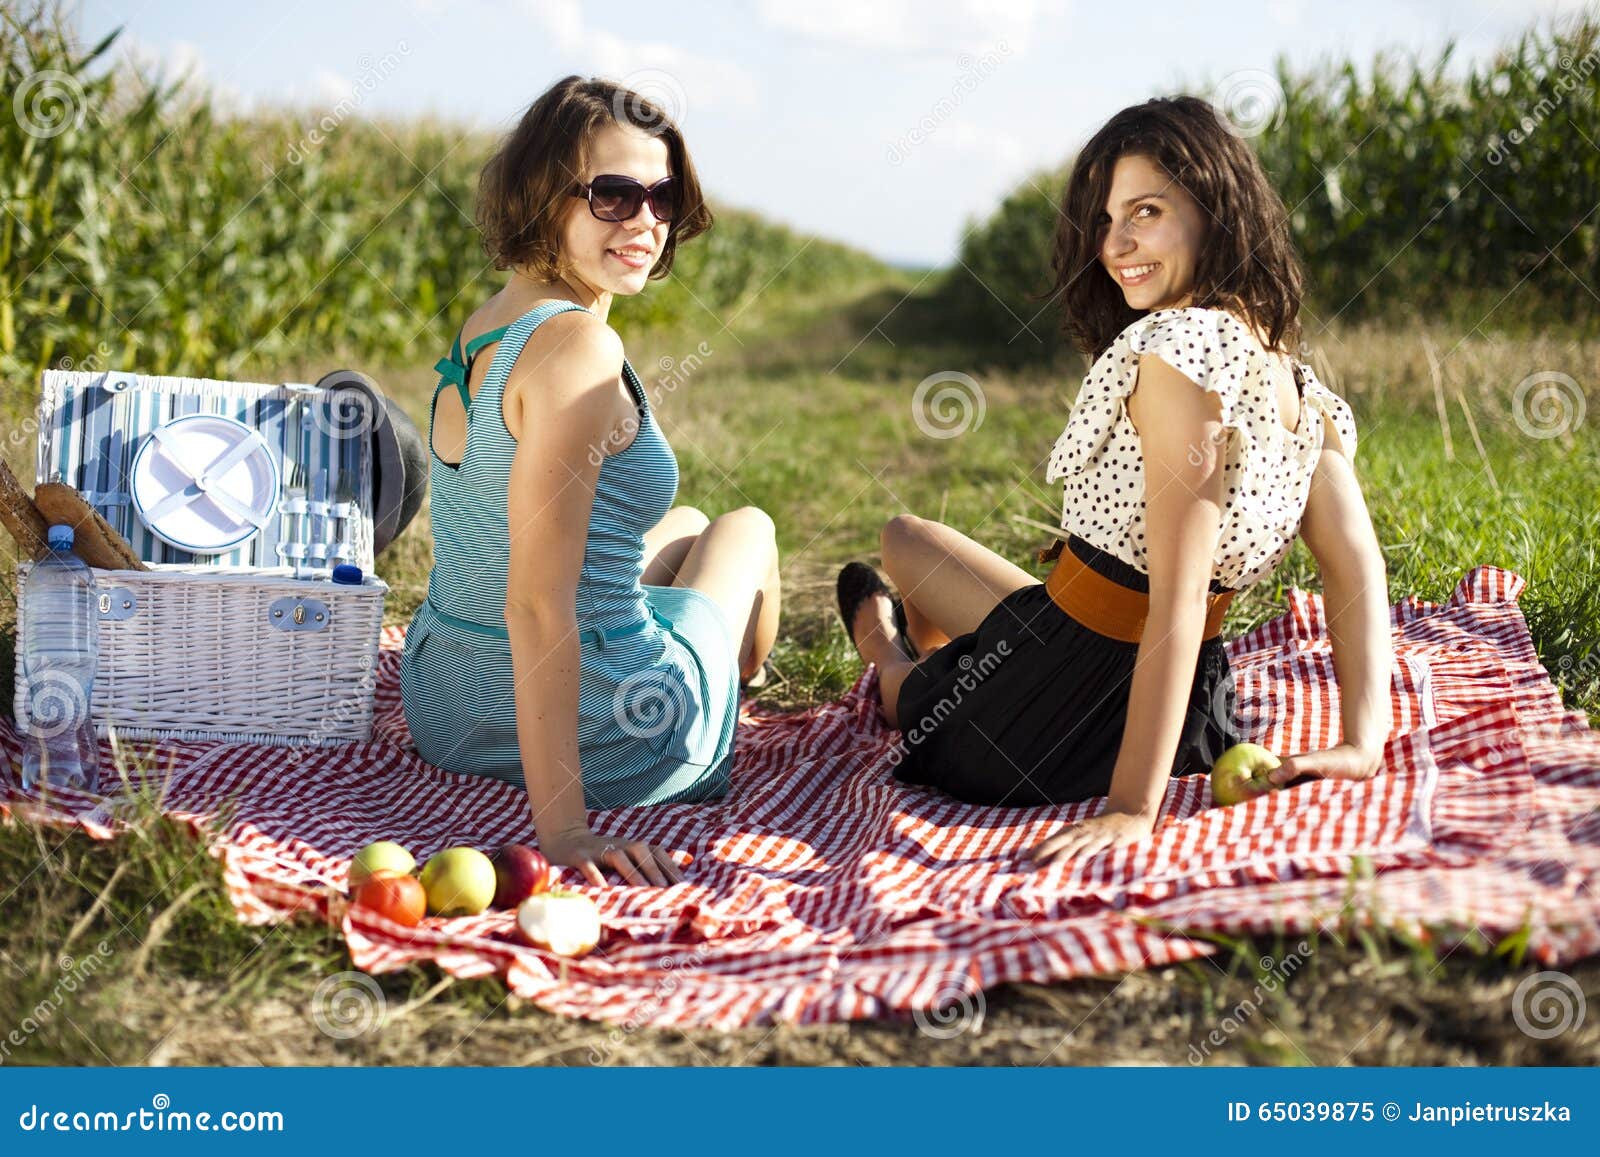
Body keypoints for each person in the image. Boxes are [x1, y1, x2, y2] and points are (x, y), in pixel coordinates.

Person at [836, 95, 1393, 867]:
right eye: (1106, 220)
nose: (1116, 243)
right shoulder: (1300, 388)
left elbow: (1181, 591)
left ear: (1218, 213)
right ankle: (937, 647)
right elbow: (1357, 566)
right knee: (919, 547)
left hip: (1045, 714)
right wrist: (1364, 740)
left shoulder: (1180, 349)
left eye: (1147, 211)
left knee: (919, 670)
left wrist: (1134, 808)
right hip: (1188, 707)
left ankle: (885, 649)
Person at [401, 76, 781, 887]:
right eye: (612, 195)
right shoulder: (580, 349)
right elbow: (537, 603)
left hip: (446, 706)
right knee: (747, 527)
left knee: (684, 522)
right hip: (618, 728)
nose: (644, 220)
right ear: (545, 195)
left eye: (661, 196)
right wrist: (565, 829)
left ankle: (705, 663)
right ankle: (728, 700)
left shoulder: (491, 323)